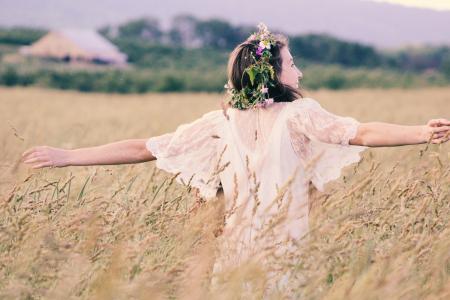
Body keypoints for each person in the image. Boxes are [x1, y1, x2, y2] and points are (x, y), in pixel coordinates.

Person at [22, 23, 449, 292]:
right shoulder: (300, 116)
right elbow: (363, 133)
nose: (298, 72)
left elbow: (142, 148)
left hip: (237, 250)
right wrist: (421, 133)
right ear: (274, 74)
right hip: (286, 248)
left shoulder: (221, 121)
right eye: (292, 64)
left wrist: (68, 156)